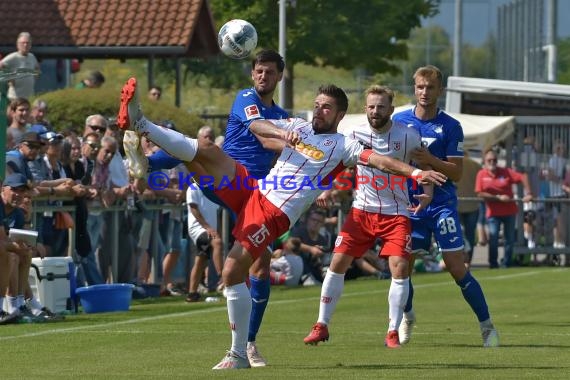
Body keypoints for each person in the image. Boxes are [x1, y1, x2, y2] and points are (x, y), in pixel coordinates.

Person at [116, 77, 446, 369]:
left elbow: (379, 160)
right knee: (206, 149)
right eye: (317, 105)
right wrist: (281, 132)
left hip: (273, 213)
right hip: (253, 190)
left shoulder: (343, 144)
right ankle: (141, 124)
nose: (319, 111)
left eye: (327, 108)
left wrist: (415, 172)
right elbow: (257, 128)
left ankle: (238, 354)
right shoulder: (299, 127)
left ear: (340, 114)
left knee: (231, 273)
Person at [123, 50, 289, 367]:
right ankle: (146, 157)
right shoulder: (245, 98)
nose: (262, 76)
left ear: (280, 76)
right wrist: (289, 136)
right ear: (252, 74)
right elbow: (260, 132)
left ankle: (248, 344)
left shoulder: (282, 114)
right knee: (204, 149)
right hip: (227, 179)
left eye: (269, 72)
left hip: (254, 196)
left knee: (260, 267)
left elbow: (275, 149)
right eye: (258, 71)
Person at [303, 84, 430, 348]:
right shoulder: (353, 133)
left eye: (381, 107)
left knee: (400, 267)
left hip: (396, 213)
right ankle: (321, 325)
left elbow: (424, 165)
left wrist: (426, 193)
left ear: (391, 110)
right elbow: (337, 162)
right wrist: (327, 187)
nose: (375, 111)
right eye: (371, 106)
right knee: (337, 262)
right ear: (365, 109)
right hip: (362, 211)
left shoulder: (408, 136)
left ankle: (392, 331)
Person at [392, 65, 499, 348]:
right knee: (402, 267)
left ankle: (486, 325)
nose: (424, 92)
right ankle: (408, 316)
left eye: (430, 87)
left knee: (456, 267)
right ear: (414, 89)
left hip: (441, 206)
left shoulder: (451, 126)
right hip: (410, 205)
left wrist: (429, 159)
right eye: (420, 87)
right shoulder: (399, 121)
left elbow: (456, 173)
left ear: (440, 90)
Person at [475, 148, 533, 268]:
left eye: (494, 160)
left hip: (509, 211)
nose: (492, 162)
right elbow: (479, 193)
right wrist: (498, 198)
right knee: (493, 237)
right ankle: (493, 263)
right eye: (489, 160)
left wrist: (529, 193)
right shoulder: (481, 174)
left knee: (509, 239)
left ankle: (507, 263)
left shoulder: (505, 171)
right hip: (492, 213)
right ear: (484, 161)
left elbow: (523, 177)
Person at [456, 152, 481, 267]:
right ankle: (468, 261)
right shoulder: (475, 165)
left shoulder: (453, 163)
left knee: (458, 235)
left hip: (457, 204)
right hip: (472, 204)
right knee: (470, 235)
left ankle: (460, 260)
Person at [0, 32, 40, 100]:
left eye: (27, 43)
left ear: (30, 45)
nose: (25, 45)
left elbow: (37, 68)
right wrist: (9, 78)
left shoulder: (32, 57)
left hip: (29, 96)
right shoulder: (13, 57)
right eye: (23, 43)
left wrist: (34, 77)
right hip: (15, 97)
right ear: (18, 44)